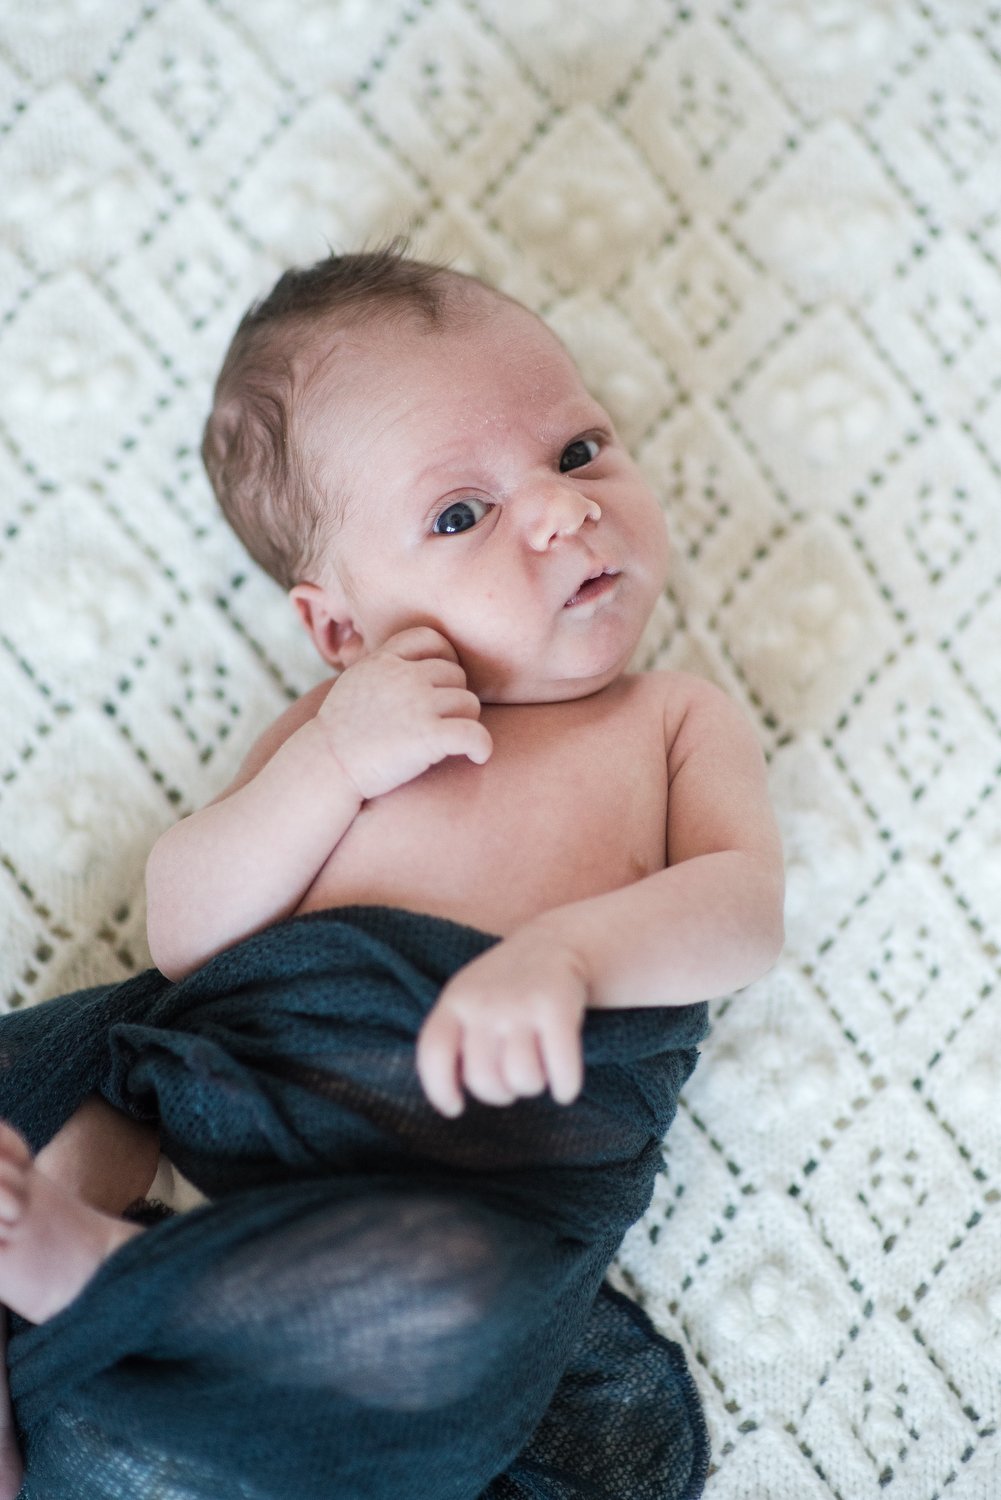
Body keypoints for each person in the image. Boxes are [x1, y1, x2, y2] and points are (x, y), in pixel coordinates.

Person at [0, 245, 784, 1499]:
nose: (560, 509)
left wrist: (570, 954)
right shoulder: (341, 724)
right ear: (338, 624)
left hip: (480, 1196)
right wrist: (330, 768)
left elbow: (741, 912)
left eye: (577, 450)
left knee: (446, 1311)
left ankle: (80, 1326)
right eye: (459, 513)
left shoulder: (669, 720)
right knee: (104, 1053)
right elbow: (189, 934)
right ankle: (48, 1284)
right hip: (255, 1091)